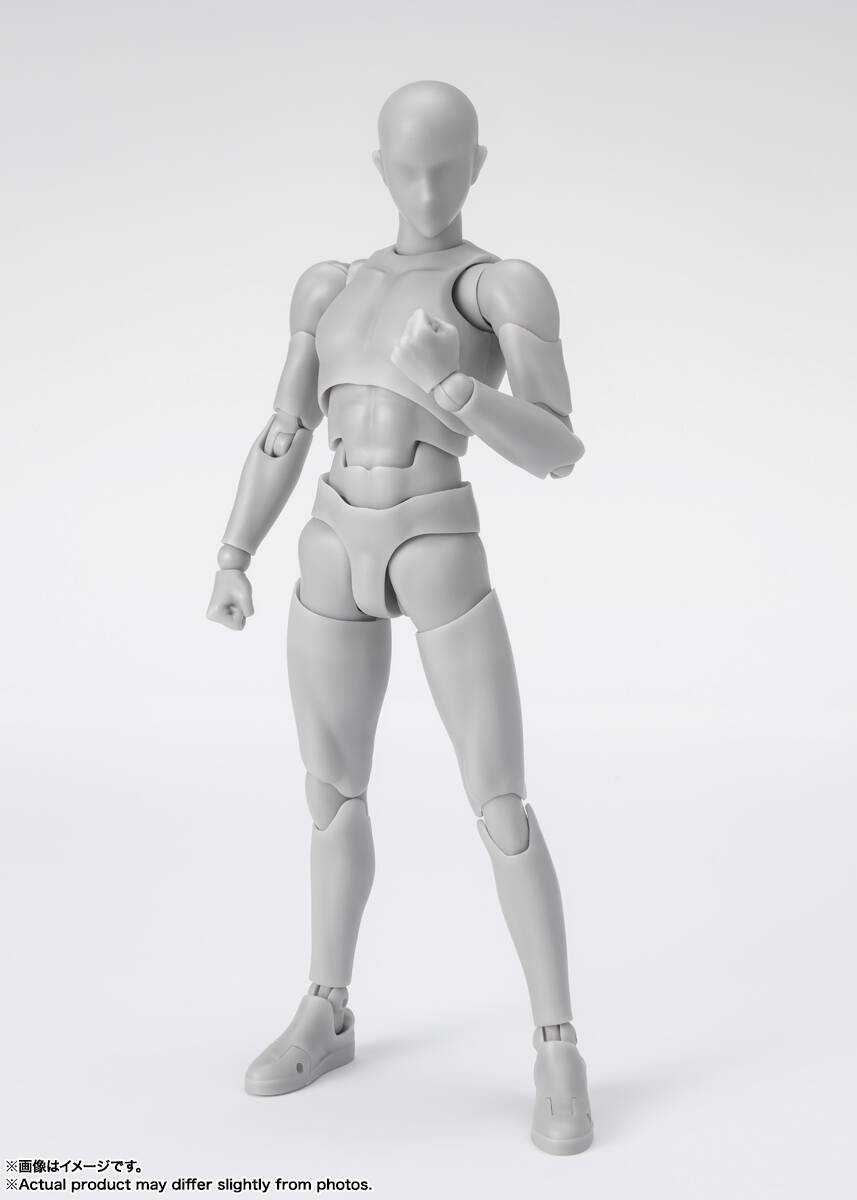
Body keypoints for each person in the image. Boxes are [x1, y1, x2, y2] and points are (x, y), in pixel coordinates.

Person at [207, 80, 592, 1156]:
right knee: (330, 797)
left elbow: (559, 448)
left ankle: (557, 1048)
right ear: (378, 166)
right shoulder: (330, 285)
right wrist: (232, 553)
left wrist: (452, 390)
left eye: (447, 167)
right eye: (407, 168)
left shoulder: (498, 286)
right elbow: (283, 430)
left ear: (478, 166)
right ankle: (325, 1010)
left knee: (500, 804)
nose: (426, 188)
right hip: (329, 543)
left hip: (435, 544)